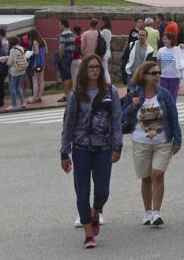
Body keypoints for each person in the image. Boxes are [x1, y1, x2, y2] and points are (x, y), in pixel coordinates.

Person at [60, 54, 123, 249]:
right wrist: (64, 152)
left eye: (97, 67)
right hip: (81, 148)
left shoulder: (110, 92)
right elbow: (68, 123)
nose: (94, 70)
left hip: (103, 147)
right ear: (85, 71)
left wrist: (117, 146)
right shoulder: (76, 95)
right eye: (91, 67)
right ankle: (88, 233)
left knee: (103, 191)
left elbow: (116, 121)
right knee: (82, 191)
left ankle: (96, 210)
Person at [122, 61, 182, 228]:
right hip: (140, 142)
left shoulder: (164, 94)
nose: (157, 76)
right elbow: (121, 117)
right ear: (144, 75)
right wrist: (132, 107)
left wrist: (177, 139)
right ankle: (147, 211)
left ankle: (156, 212)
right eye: (153, 73)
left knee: (157, 174)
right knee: (146, 178)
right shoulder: (133, 94)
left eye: (158, 73)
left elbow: (173, 118)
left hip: (163, 141)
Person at [1, 36, 27, 110]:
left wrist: (6, 59)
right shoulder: (21, 48)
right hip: (22, 70)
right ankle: (23, 102)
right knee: (18, 86)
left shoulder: (12, 50)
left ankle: (13, 104)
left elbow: (10, 62)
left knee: (12, 87)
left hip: (15, 71)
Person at [157, 33, 183, 101]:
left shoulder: (177, 49)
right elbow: (158, 64)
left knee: (172, 97)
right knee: (163, 96)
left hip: (175, 77)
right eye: (163, 39)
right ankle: (165, 111)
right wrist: (158, 75)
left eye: (166, 39)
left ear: (171, 40)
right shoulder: (161, 50)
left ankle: (172, 111)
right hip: (163, 77)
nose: (164, 41)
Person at [57, 19, 75, 102]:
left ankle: (67, 95)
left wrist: (59, 58)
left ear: (63, 24)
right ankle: (70, 94)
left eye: (60, 24)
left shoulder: (63, 35)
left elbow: (62, 47)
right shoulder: (71, 33)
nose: (59, 26)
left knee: (65, 77)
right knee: (70, 75)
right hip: (71, 56)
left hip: (65, 57)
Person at [28, 29, 47, 103]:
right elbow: (46, 51)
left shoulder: (35, 42)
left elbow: (37, 52)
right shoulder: (43, 41)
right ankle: (39, 97)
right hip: (42, 63)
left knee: (35, 80)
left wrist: (30, 52)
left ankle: (34, 98)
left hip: (36, 63)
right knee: (41, 80)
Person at [100, 17, 113, 83]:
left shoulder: (104, 31)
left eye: (101, 22)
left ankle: (108, 83)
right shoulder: (109, 31)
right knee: (105, 70)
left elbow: (103, 43)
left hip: (104, 52)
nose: (100, 24)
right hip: (107, 52)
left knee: (105, 70)